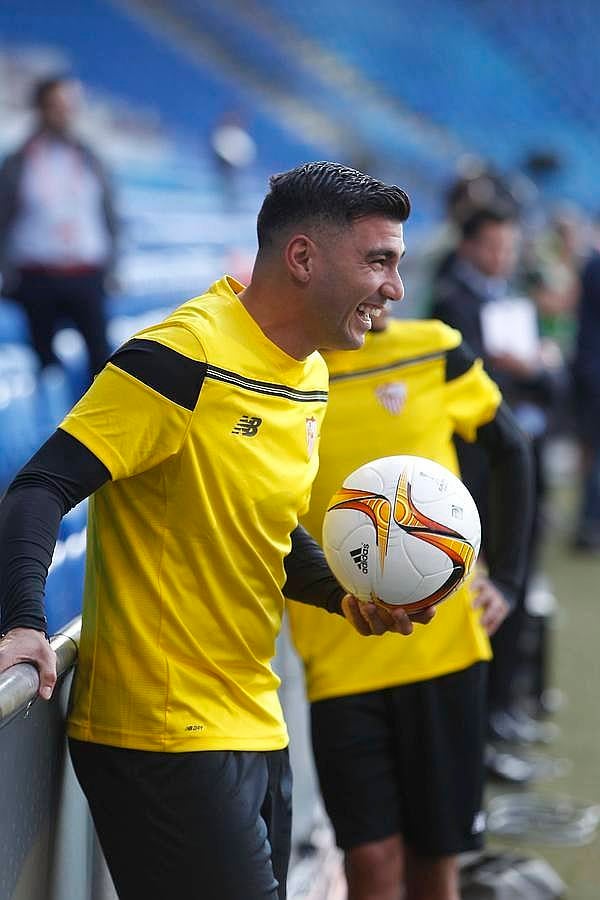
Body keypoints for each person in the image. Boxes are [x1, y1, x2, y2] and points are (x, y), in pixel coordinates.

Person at [0, 161, 434, 900]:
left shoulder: (310, 374)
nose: (394, 288)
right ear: (302, 258)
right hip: (161, 733)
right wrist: (22, 621)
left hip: (254, 723)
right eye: (378, 261)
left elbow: (268, 531)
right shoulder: (178, 358)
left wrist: (347, 598)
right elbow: (39, 487)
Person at [287, 303, 532, 900]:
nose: (389, 285)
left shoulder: (437, 349)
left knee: (436, 859)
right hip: (339, 658)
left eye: (394, 263)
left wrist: (509, 580)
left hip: (445, 653)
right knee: (368, 860)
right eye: (374, 262)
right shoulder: (287, 372)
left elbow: (512, 450)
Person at [430, 206, 562, 741]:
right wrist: (521, 370)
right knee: (487, 586)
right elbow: (479, 389)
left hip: (519, 455)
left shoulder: (503, 297)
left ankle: (502, 708)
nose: (501, 257)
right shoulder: (451, 303)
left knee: (518, 577)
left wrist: (537, 367)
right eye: (492, 246)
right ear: (467, 246)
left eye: (507, 247)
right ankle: (484, 721)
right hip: (481, 470)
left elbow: (548, 384)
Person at [0, 75, 117, 380]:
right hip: (36, 277)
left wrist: (113, 265)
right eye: (58, 105)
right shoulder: (19, 161)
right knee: (46, 364)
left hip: (86, 275)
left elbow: (109, 216)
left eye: (71, 105)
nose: (66, 112)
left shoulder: (90, 158)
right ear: (41, 108)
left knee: (102, 363)